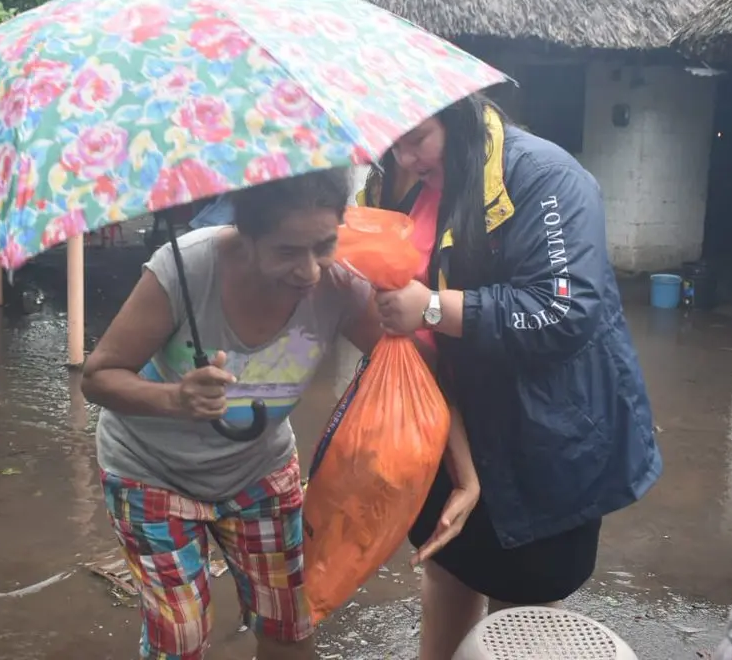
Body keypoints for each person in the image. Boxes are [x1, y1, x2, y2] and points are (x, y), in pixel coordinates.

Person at [82, 168, 478, 660]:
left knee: (289, 625)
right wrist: (175, 399)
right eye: (287, 252)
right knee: (179, 636)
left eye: (324, 245)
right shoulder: (184, 270)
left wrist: (465, 475)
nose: (310, 269)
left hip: (258, 474)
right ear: (246, 236)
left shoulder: (339, 285)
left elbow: (420, 376)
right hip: (150, 474)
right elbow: (98, 376)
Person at [370, 96, 662, 660]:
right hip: (451, 420)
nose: (405, 157)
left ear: (456, 118)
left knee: (524, 596)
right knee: (449, 561)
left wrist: (431, 307)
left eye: (418, 139)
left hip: (542, 431)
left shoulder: (545, 177)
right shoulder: (400, 182)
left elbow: (564, 311)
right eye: (393, 142)